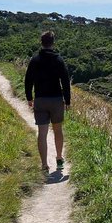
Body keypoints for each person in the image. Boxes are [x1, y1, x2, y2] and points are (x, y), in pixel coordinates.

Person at [24, 31, 71, 174]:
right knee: (58, 130)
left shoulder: (35, 60)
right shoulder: (58, 60)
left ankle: (44, 165)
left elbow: (28, 80)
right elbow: (65, 82)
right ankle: (59, 158)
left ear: (41, 42)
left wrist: (29, 98)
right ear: (53, 43)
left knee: (42, 133)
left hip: (40, 99)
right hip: (56, 100)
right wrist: (67, 100)